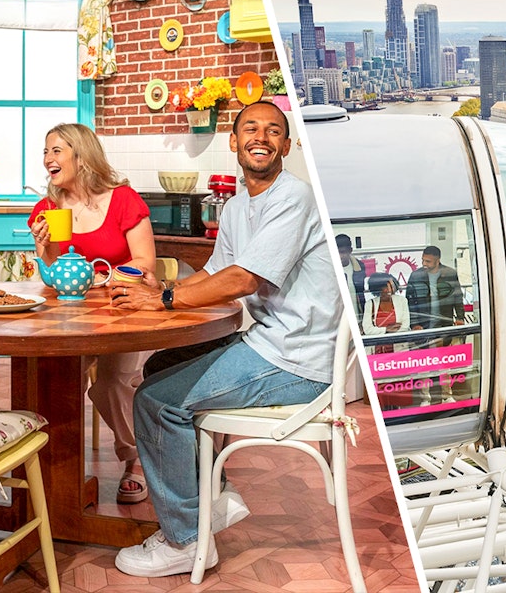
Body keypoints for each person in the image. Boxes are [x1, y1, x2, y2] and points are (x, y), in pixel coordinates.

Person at [109, 101, 342, 578]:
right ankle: (212, 500)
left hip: (296, 359)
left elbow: (243, 280)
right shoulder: (238, 205)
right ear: (233, 143)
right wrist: (159, 291)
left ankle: (185, 540)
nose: (261, 136)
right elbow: (217, 271)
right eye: (250, 128)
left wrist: (165, 301)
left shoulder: (293, 198)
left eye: (273, 130)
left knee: (156, 402)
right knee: (159, 366)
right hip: (271, 342)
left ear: (288, 146)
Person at [27, 123, 156, 504]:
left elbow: (147, 264)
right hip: (70, 315)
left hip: (122, 310)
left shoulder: (124, 200)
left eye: (56, 151)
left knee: (110, 383)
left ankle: (136, 461)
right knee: (51, 377)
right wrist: (43, 248)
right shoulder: (48, 209)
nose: (48, 159)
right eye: (46, 152)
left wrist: (102, 275)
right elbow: (51, 277)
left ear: (81, 156)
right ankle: (52, 471)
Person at [405, 245, 464, 330]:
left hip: (444, 323)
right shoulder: (415, 276)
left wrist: (460, 318)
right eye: (423, 260)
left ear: (437, 261)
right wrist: (414, 324)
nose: (424, 263)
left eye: (428, 261)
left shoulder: (450, 274)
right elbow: (410, 302)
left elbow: (457, 298)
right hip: (422, 325)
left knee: (445, 342)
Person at [363, 272, 408, 353]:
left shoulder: (402, 301)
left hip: (398, 348)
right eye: (387, 286)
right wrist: (386, 329)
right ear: (378, 288)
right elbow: (367, 330)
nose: (390, 289)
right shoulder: (370, 304)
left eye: (392, 286)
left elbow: (405, 326)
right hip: (376, 350)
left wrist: (379, 331)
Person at [336, 233, 366, 317]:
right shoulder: (329, 269)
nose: (340, 256)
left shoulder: (359, 266)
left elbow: (361, 294)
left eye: (342, 252)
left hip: (358, 315)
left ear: (350, 251)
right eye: (336, 252)